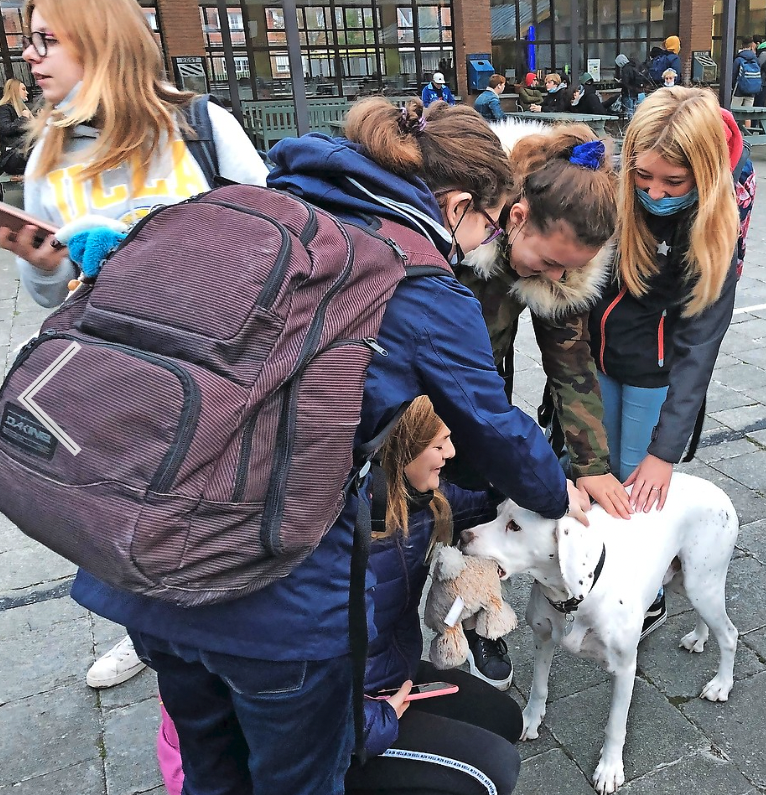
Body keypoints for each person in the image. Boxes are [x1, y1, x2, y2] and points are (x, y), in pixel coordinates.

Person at [73, 92, 586, 793]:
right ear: (459, 204)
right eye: (488, 225)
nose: (484, 243)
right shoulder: (420, 284)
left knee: (211, 772)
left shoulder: (253, 210)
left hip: (147, 570)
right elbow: (492, 431)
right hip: (272, 602)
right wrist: (560, 490)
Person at [0, 0, 268, 693]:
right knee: (124, 505)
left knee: (225, 499)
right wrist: (43, 255)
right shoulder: (48, 155)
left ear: (98, 44)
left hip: (222, 367)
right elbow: (43, 294)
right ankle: (144, 628)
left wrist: (147, 238)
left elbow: (278, 238)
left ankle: (238, 620)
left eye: (45, 40)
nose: (29, 56)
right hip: (111, 380)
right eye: (29, 42)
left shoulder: (202, 129)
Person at [156, 396, 524, 795]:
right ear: (402, 447)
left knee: (505, 719)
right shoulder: (331, 541)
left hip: (386, 678)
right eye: (439, 444)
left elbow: (494, 502)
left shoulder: (424, 500)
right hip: (338, 708)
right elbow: (293, 689)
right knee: (492, 774)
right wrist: (373, 719)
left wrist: (561, 486)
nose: (451, 453)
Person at [453, 120, 631, 678]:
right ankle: (418, 619)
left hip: (486, 379)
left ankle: (482, 616)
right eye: (548, 261)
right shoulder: (456, 220)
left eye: (569, 270)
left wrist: (593, 465)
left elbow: (572, 364)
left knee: (483, 494)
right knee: (416, 508)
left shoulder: (561, 266)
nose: (557, 276)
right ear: (516, 216)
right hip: (416, 384)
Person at [588, 86, 742, 631]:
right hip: (601, 362)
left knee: (638, 483)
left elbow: (699, 351)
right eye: (642, 176)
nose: (653, 191)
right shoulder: (611, 192)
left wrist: (666, 451)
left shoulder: (715, 230)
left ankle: (644, 594)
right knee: (598, 475)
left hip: (657, 378)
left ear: (703, 173)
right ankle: (607, 567)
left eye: (672, 182)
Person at [0, 79, 32, 177]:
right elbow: (5, 128)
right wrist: (24, 118)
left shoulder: (22, 109)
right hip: (12, 156)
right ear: (15, 91)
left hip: (20, 153)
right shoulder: (4, 108)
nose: (27, 92)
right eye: (23, 89)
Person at [732, 37, 761, 113]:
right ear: (751, 45)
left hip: (739, 90)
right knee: (748, 114)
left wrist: (732, 86)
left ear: (742, 45)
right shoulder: (755, 59)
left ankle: (734, 125)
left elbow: (733, 75)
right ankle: (748, 125)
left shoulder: (738, 59)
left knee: (734, 112)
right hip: (752, 89)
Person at [614, 53, 645, 121]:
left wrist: (620, 82)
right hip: (640, 91)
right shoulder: (635, 65)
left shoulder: (625, 69)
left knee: (630, 112)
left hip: (629, 93)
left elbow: (626, 82)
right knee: (639, 111)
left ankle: (631, 125)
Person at [754, 39, 766, 107]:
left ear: (757, 43)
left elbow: (758, 65)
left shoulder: (764, 53)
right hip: (763, 81)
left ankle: (759, 118)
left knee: (759, 102)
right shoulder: (765, 51)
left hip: (764, 82)